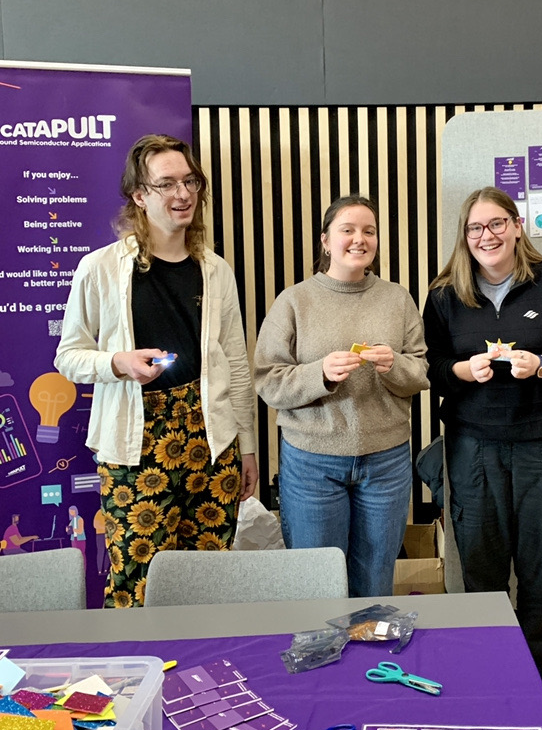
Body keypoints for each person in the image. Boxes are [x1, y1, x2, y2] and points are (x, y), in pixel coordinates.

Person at [423, 186, 542, 730]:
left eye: (497, 224)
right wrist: (461, 372)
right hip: (473, 444)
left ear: (517, 226)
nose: (487, 236)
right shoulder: (444, 295)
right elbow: (429, 366)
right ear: (464, 236)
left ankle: (535, 678)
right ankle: (484, 674)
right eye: (475, 228)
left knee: (539, 564)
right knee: (478, 563)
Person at [55, 134, 258, 608]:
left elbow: (236, 366)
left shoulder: (215, 270)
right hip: (134, 445)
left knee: (208, 582)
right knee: (134, 582)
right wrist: (117, 363)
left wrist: (246, 446)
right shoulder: (100, 268)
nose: (182, 194)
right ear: (140, 196)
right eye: (166, 183)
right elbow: (68, 356)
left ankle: (207, 679)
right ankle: (133, 677)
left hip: (212, 440)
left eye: (189, 181)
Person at [254, 194, 428, 597]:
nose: (358, 239)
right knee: (317, 582)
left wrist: (393, 367)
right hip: (311, 464)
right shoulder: (294, 301)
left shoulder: (397, 298)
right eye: (347, 230)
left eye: (368, 231)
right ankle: (321, 658)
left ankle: (368, 658)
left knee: (375, 579)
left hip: (387, 461)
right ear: (325, 241)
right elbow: (268, 380)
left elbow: (420, 370)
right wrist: (321, 374)